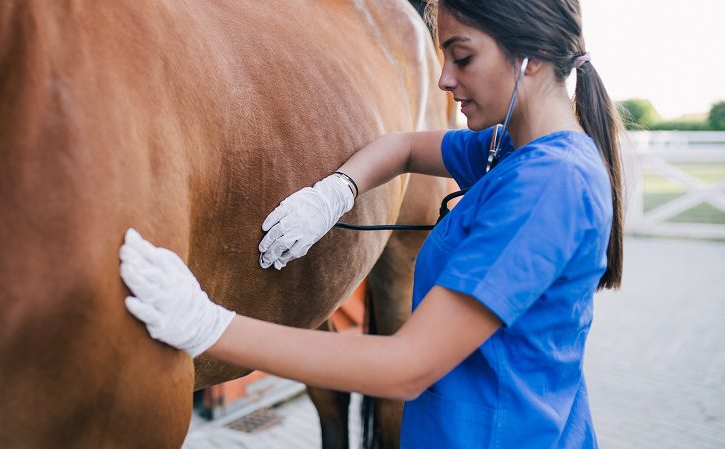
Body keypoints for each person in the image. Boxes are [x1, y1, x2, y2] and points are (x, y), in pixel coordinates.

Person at [118, 0, 624, 446]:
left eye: (462, 56)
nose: (445, 79)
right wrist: (335, 191)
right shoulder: (511, 149)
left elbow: (406, 367)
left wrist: (206, 325)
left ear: (529, 56)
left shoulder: (549, 184)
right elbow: (404, 146)